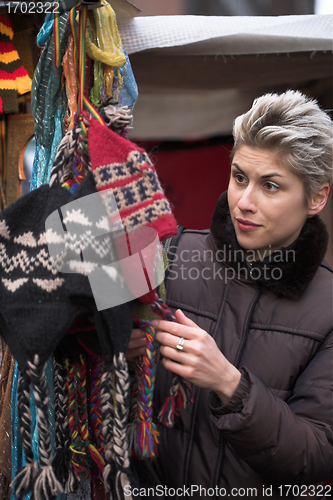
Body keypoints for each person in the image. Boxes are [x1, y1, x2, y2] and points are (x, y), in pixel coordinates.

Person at [126, 90, 333, 499]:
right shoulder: (169, 251)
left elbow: (315, 459)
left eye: (270, 186)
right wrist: (116, 344)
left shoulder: (329, 309)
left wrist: (229, 383)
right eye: (240, 177)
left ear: (316, 197)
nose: (245, 202)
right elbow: (69, 303)